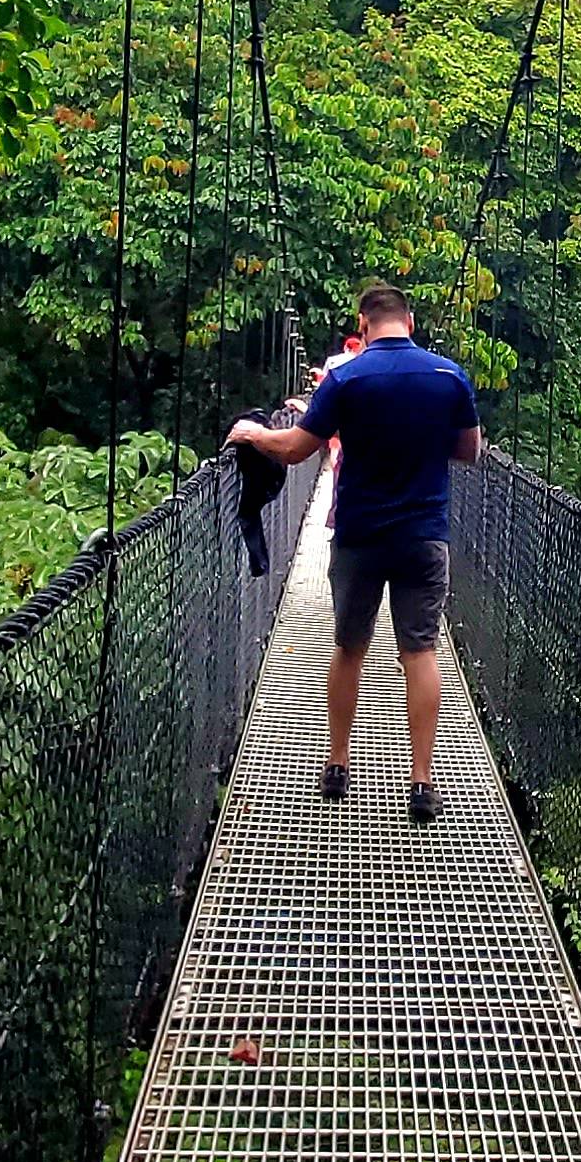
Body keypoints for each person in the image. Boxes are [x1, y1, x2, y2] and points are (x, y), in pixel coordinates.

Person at [227, 285, 480, 820]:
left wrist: (253, 434)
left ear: (363, 324)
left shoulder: (346, 377)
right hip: (424, 536)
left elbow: (296, 450)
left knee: (349, 648)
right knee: (420, 651)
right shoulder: (448, 376)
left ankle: (337, 766)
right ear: (408, 321)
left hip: (360, 535)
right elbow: (470, 451)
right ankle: (422, 783)